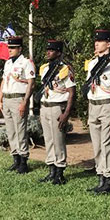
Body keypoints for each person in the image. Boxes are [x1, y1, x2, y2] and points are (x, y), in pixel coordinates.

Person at [84, 30, 110, 194]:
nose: (97, 43)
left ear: (109, 44)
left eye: (101, 41)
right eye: (96, 40)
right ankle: (100, 176)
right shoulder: (92, 62)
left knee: (108, 143)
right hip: (93, 104)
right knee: (97, 143)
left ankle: (109, 179)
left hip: (108, 104)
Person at [37, 39, 75, 185]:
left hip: (57, 107)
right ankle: (51, 170)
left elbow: (71, 92)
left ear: (58, 53)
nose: (48, 52)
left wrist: (66, 113)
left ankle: (59, 172)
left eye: (51, 50)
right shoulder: (45, 68)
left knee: (58, 140)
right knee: (49, 139)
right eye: (48, 50)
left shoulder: (65, 69)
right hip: (45, 106)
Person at [0, 37, 35, 174]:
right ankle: (16, 159)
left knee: (20, 130)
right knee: (10, 130)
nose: (10, 50)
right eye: (9, 48)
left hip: (18, 98)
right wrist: (0, 98)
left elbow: (31, 83)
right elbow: (3, 80)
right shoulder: (8, 63)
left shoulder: (26, 63)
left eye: (12, 48)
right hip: (7, 99)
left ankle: (24, 160)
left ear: (19, 49)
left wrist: (25, 102)